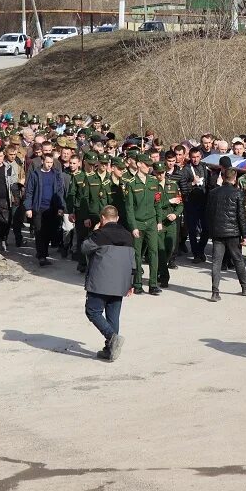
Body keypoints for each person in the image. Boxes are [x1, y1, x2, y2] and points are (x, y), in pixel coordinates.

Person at [81, 205, 135, 361]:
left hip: (100, 281)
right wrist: (131, 283)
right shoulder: (128, 236)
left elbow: (84, 248)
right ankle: (110, 349)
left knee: (92, 311)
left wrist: (94, 231)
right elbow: (133, 261)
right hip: (121, 283)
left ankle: (112, 337)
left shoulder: (99, 235)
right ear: (117, 218)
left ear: (102, 219)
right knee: (113, 316)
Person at [205, 167, 246, 301]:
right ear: (235, 177)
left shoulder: (213, 192)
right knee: (238, 259)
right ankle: (244, 286)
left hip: (218, 232)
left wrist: (211, 230)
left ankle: (215, 292)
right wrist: (244, 235)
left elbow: (208, 213)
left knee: (216, 262)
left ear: (223, 176)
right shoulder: (237, 193)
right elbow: (241, 216)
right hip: (233, 232)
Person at [123, 153, 162, 295]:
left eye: (150, 165)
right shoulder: (131, 183)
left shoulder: (153, 182)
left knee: (153, 252)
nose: (149, 168)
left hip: (151, 222)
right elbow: (129, 208)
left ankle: (153, 284)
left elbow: (157, 203)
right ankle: (138, 283)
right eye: (146, 165)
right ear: (138, 164)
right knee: (137, 254)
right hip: (138, 223)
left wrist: (159, 221)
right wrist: (133, 226)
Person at [24, 152, 65, 267]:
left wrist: (61, 207)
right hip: (39, 208)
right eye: (47, 162)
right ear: (42, 161)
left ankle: (43, 253)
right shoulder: (35, 174)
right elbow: (29, 191)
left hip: (52, 208)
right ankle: (41, 256)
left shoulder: (56, 174)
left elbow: (60, 192)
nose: (49, 165)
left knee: (48, 232)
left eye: (51, 162)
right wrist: (28, 208)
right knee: (39, 231)